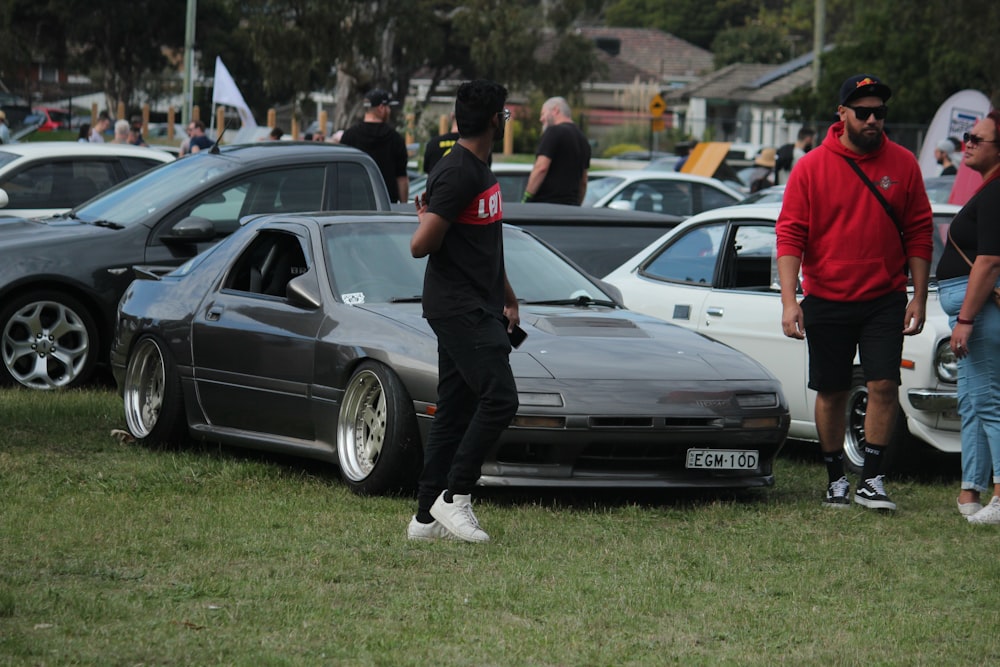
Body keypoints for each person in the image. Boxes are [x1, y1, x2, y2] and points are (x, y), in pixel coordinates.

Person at [776, 74, 933, 511]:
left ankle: (872, 480)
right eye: (862, 112)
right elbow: (790, 236)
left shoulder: (903, 164)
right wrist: (790, 302)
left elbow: (920, 233)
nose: (872, 120)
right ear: (841, 114)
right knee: (832, 390)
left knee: (884, 384)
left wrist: (918, 296)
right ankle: (834, 480)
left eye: (879, 113)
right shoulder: (810, 166)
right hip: (826, 297)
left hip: (884, 297)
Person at [408, 79, 519, 543]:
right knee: (501, 398)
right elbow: (420, 245)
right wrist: (424, 219)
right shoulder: (458, 173)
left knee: (454, 410)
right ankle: (455, 498)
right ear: (495, 121)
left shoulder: (479, 168)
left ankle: (425, 519)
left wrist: (508, 295)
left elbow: (485, 241)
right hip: (458, 306)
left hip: (480, 300)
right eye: (506, 115)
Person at [935, 111, 1000, 523]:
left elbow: (989, 260)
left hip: (979, 312)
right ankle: (970, 494)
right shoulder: (987, 191)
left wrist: (966, 319)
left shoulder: (995, 193)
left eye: (977, 138)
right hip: (973, 311)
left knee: (988, 402)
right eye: (966, 138)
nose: (967, 144)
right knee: (972, 402)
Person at [340, 88, 409, 203]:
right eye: (388, 107)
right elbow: (401, 178)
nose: (389, 110)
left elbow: (342, 175)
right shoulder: (395, 138)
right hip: (387, 206)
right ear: (381, 108)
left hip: (355, 205)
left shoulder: (349, 136)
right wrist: (403, 207)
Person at [522, 97, 590, 205]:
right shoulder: (583, 139)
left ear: (555, 110)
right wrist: (577, 206)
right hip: (570, 208)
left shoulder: (553, 131)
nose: (541, 119)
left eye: (543, 113)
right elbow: (584, 181)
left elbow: (541, 168)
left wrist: (527, 197)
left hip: (546, 206)